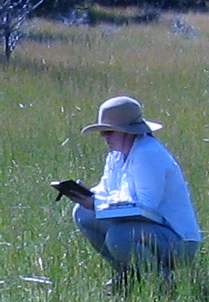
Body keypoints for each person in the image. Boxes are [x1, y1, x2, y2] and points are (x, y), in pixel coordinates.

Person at [54, 95, 201, 276]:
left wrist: (96, 204)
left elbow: (146, 206)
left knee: (120, 235)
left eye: (109, 131)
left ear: (127, 131)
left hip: (179, 242)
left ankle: (160, 283)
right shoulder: (115, 156)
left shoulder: (148, 153)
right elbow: (106, 190)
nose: (103, 136)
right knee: (83, 213)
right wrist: (87, 194)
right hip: (144, 231)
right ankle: (126, 276)